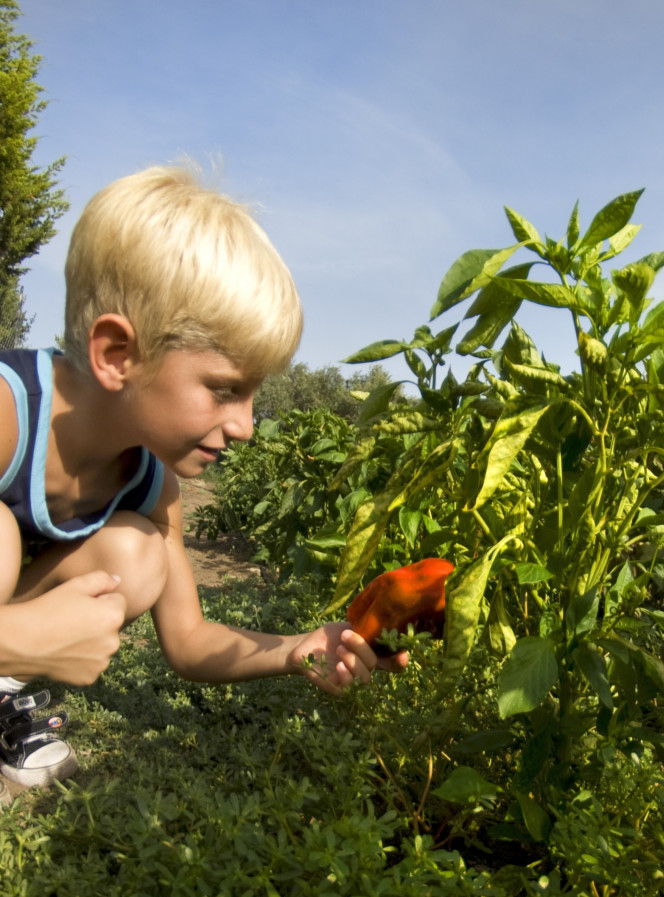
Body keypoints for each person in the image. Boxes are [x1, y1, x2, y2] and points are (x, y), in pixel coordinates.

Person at [0, 165, 400, 789]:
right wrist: (14, 638)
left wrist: (298, 648)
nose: (244, 426)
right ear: (117, 355)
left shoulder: (151, 484)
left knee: (136, 557)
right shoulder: (7, 413)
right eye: (224, 390)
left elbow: (188, 641)